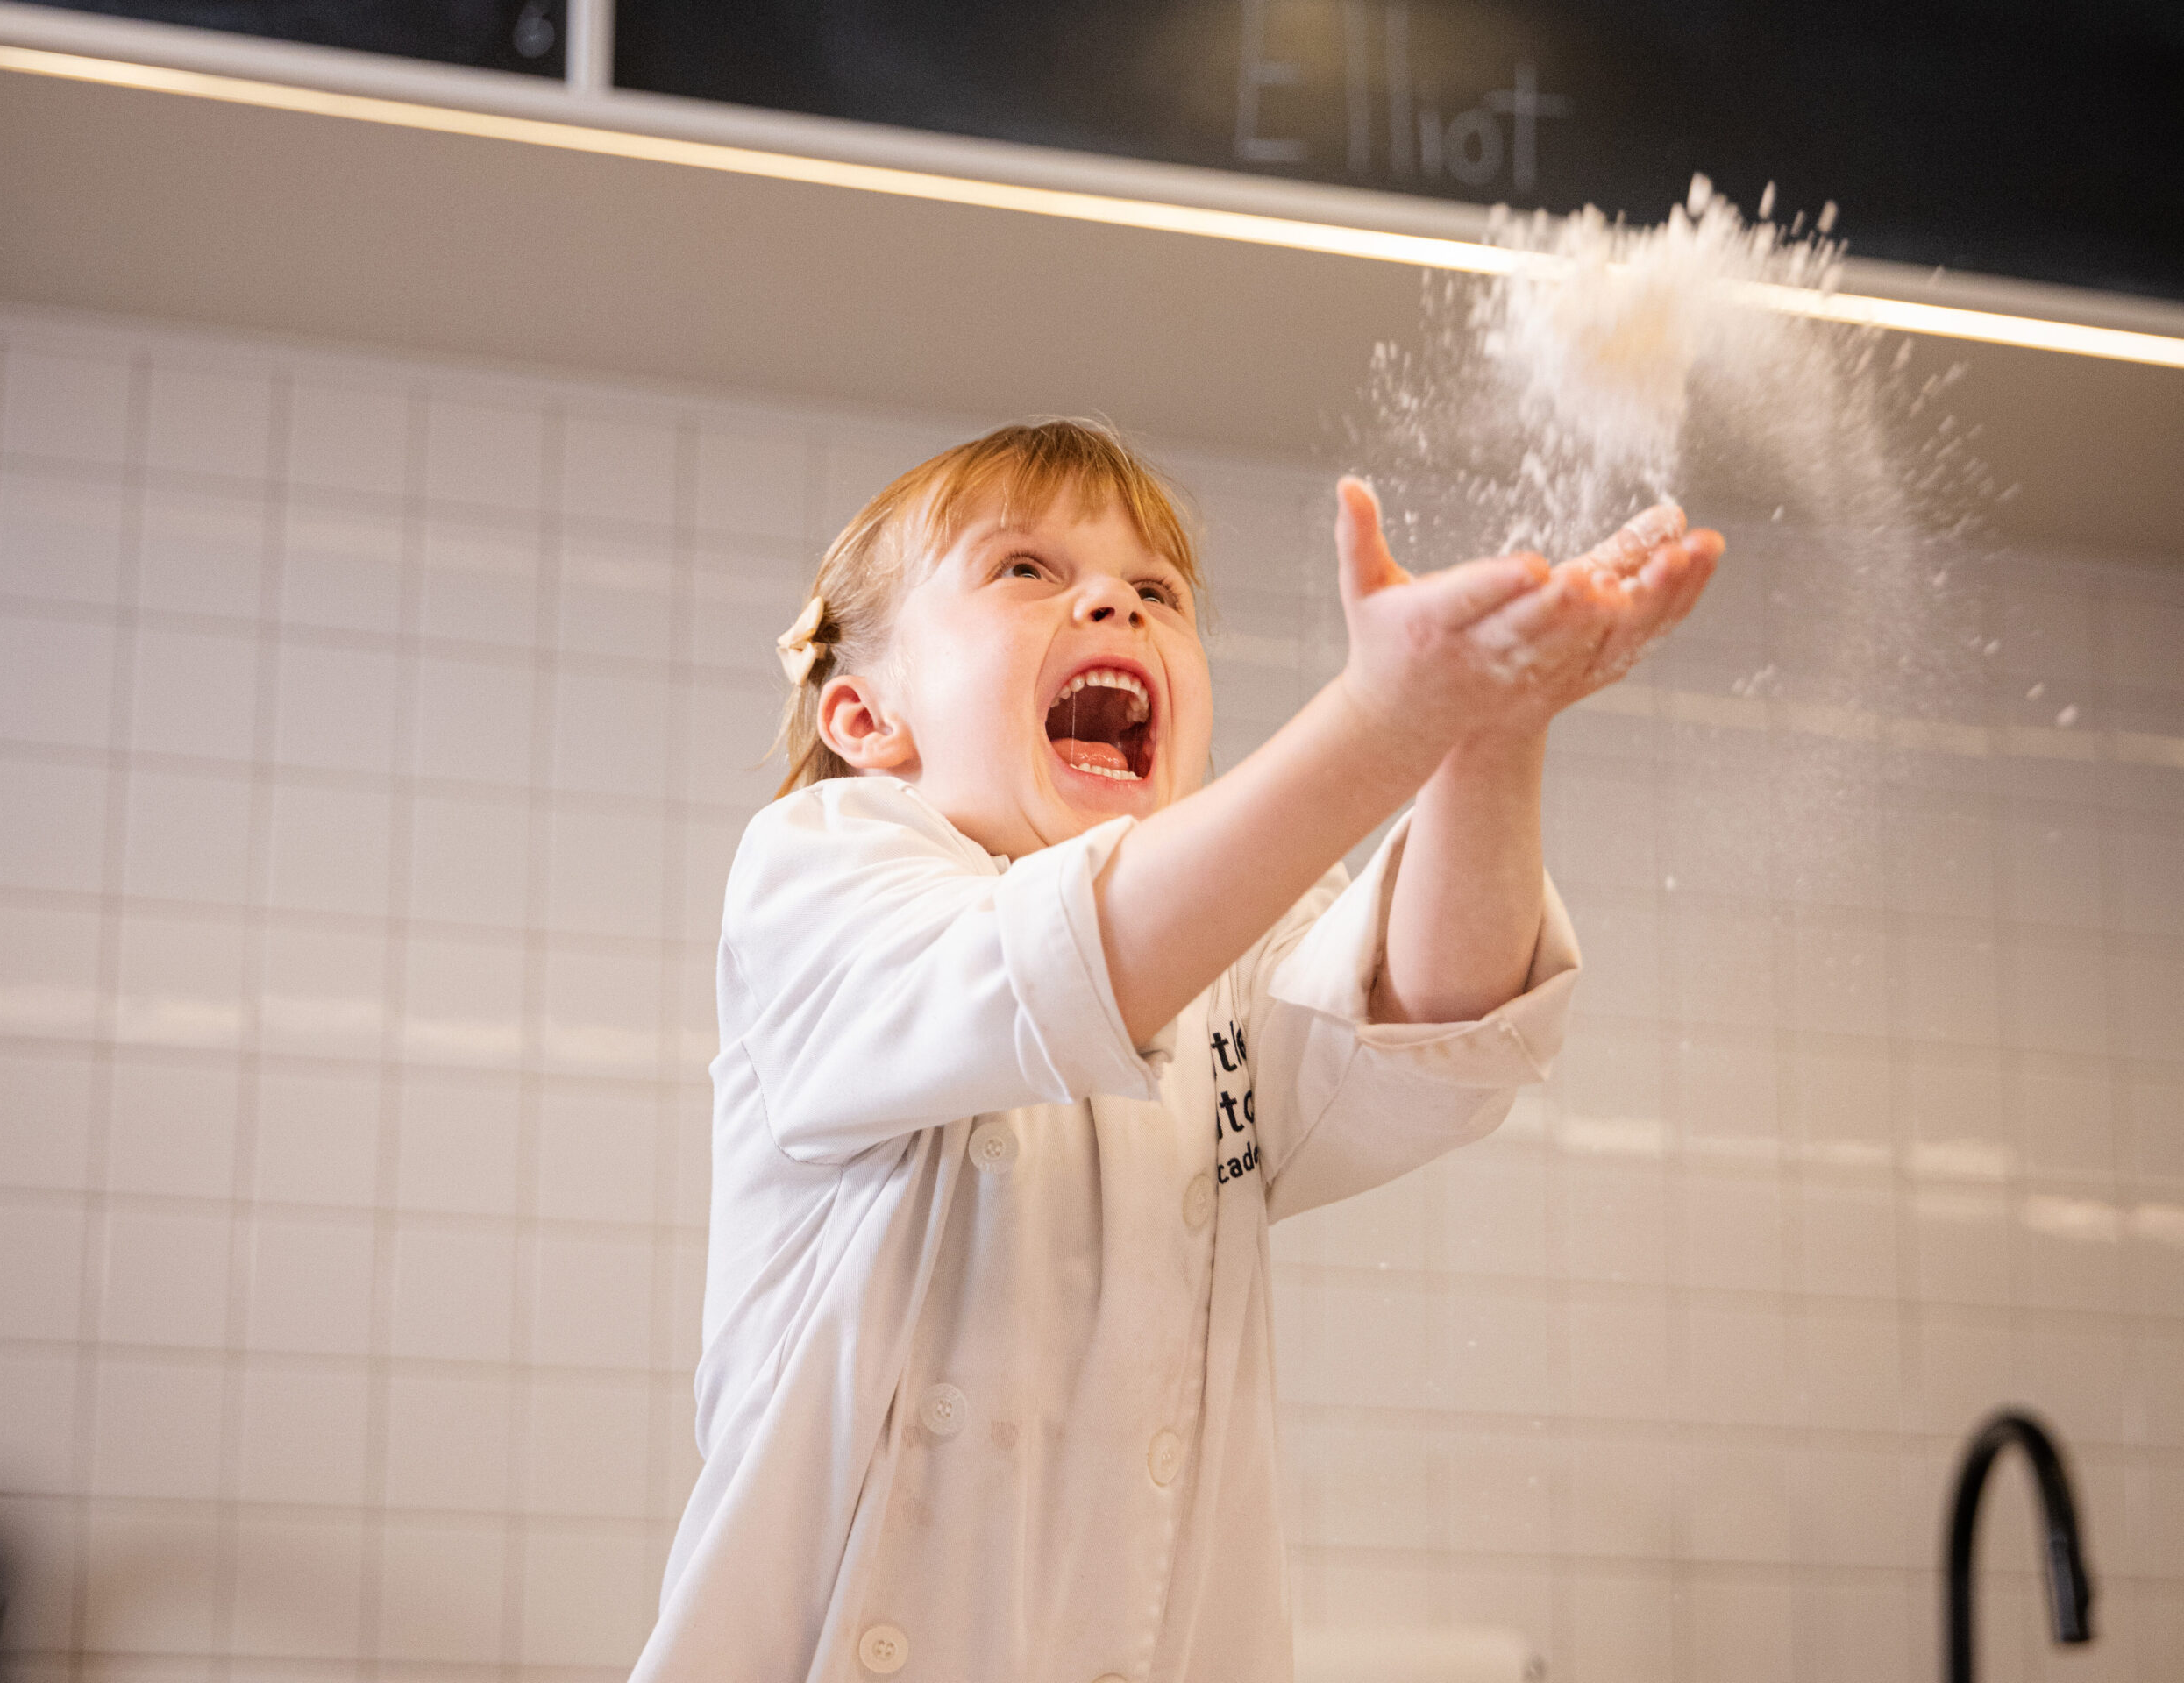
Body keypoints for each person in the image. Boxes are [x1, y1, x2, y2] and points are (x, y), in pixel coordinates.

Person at [631, 421, 1721, 1683]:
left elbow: (1432, 1019)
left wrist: (1488, 732)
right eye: (1026, 569)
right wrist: (1384, 720)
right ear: (869, 718)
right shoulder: (821, 873)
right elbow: (1057, 964)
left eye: (1158, 590)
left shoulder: (1236, 942)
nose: (1115, 601)